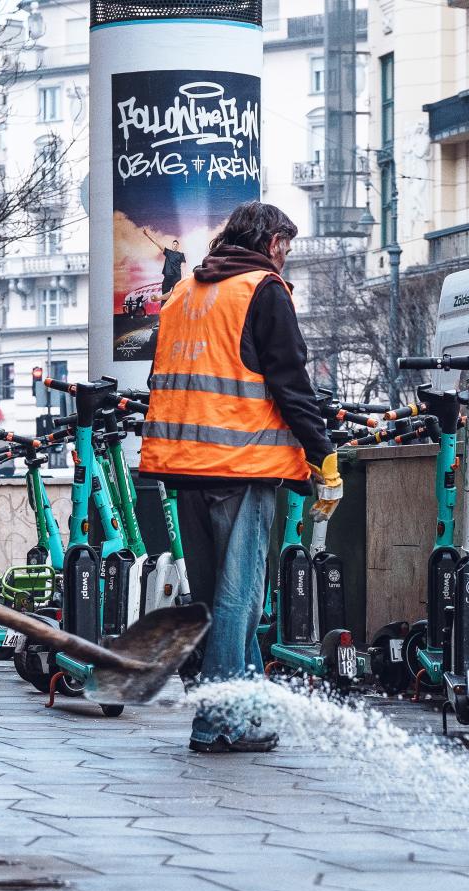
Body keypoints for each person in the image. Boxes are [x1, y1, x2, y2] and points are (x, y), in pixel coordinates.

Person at [140, 201, 342, 753]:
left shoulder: (184, 293)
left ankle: (246, 716)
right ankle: (216, 721)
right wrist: (322, 455)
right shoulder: (262, 290)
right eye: (288, 247)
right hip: (241, 466)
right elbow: (290, 382)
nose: (287, 258)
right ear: (272, 241)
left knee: (217, 600)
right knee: (240, 602)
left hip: (184, 467)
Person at [143, 226, 185, 299]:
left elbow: (183, 266)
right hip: (167, 277)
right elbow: (157, 244)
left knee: (176, 296)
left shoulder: (181, 254)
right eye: (173, 244)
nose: (175, 245)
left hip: (177, 277)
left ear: (178, 246)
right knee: (164, 295)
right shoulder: (168, 252)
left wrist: (183, 278)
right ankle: (163, 309)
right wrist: (148, 235)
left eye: (176, 244)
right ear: (172, 245)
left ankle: (175, 309)